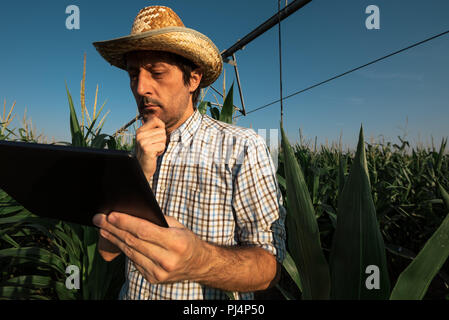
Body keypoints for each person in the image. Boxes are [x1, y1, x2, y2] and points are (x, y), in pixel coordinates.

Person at [91, 5, 286, 300]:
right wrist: (140, 172)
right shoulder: (135, 154)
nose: (141, 87)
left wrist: (200, 261)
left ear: (193, 79)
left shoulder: (242, 148)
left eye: (157, 72)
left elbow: (269, 267)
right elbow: (106, 252)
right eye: (133, 75)